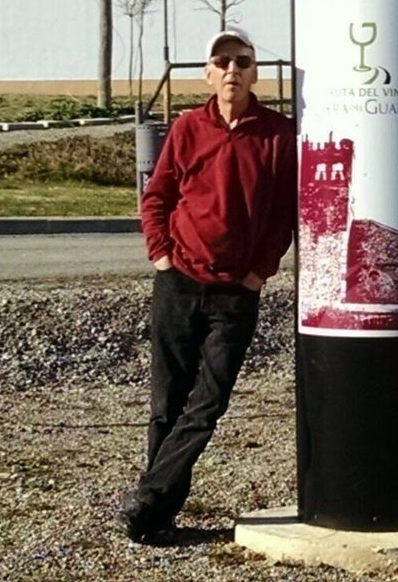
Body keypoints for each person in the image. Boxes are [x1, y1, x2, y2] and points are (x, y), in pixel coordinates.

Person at [120, 27, 296, 543]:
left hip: (236, 293)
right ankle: (156, 515)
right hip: (178, 282)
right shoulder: (187, 128)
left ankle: (148, 497)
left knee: (209, 402)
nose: (232, 70)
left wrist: (259, 271)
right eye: (222, 62)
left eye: (242, 61)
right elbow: (157, 196)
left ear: (255, 73)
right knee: (166, 404)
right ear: (207, 74)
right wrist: (160, 254)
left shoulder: (279, 136)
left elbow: (283, 215)